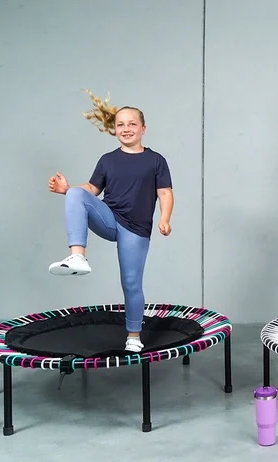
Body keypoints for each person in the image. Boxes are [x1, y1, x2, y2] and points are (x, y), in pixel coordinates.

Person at [46, 89, 174, 353]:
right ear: (113, 129)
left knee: (130, 282)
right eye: (120, 125)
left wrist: (164, 219)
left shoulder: (155, 160)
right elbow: (92, 189)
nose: (126, 129)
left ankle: (133, 336)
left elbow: (165, 192)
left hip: (135, 229)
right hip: (109, 219)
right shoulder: (107, 160)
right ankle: (78, 256)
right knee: (75, 193)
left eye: (132, 124)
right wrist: (67, 189)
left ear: (143, 128)